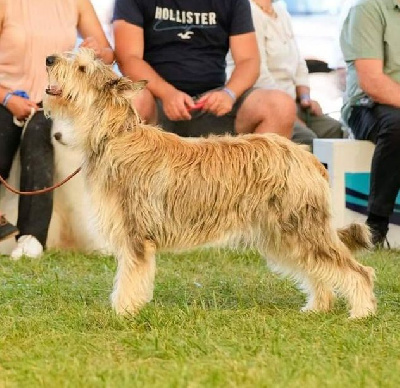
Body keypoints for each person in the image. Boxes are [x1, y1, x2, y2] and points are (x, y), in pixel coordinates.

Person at [0, 0, 114, 258]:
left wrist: (97, 51)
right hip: (7, 96)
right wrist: (7, 98)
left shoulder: (76, 2)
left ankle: (32, 238)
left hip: (54, 101)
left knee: (38, 135)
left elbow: (108, 53)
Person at [112, 0, 296, 139]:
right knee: (131, 100)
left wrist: (229, 94)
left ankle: (249, 188)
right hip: (156, 103)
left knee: (281, 106)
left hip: (215, 104)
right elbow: (128, 58)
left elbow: (249, 60)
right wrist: (167, 94)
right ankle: (130, 188)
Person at [226, 0, 343, 148]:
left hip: (295, 103)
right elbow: (258, 75)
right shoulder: (249, 11)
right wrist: (289, 111)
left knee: (337, 131)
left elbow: (299, 62)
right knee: (307, 139)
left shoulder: (280, 11)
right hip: (270, 105)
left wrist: (305, 98)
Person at [340, 0, 400, 247]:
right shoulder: (368, 8)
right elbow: (372, 81)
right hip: (369, 105)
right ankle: (376, 225)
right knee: (399, 126)